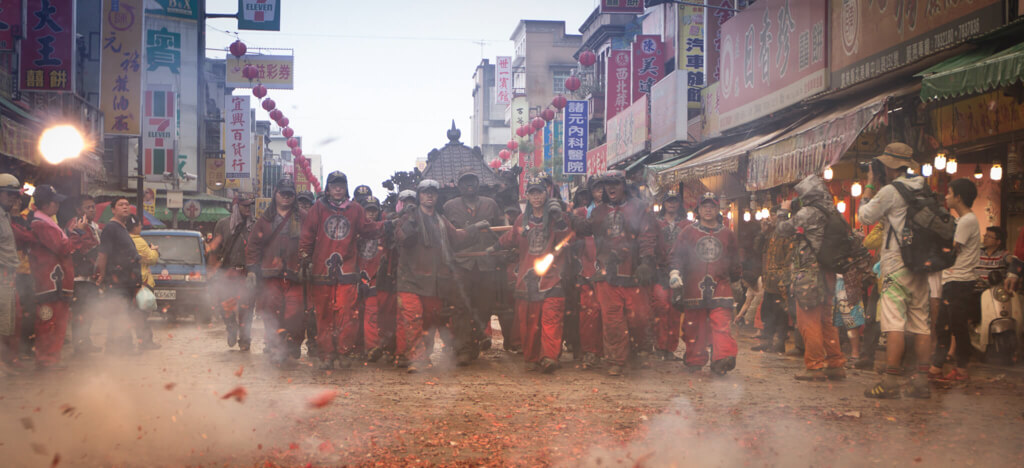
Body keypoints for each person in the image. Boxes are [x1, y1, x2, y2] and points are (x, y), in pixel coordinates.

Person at [857, 142, 932, 399]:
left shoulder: (891, 190)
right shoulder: (923, 185)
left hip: (897, 263)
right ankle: (922, 379)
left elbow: (864, 216)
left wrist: (868, 185)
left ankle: (890, 381)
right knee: (922, 323)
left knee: (894, 324)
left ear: (888, 167)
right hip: (921, 264)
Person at [299, 171, 390, 370]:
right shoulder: (318, 208)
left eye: (341, 185)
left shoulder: (355, 209)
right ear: (328, 188)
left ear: (346, 187)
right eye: (334, 185)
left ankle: (343, 352)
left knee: (347, 314)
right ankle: (326, 355)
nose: (338, 189)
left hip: (347, 271)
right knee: (323, 315)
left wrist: (388, 226)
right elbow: (307, 233)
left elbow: (368, 228)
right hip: (322, 271)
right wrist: (305, 256)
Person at [394, 179, 488, 372]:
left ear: (437, 197)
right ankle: (417, 358)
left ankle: (421, 356)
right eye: (425, 192)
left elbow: (457, 239)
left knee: (428, 322)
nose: (429, 196)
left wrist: (474, 229)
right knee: (413, 319)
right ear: (419, 195)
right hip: (410, 281)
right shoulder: (407, 218)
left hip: (434, 283)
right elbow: (402, 238)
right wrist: (411, 221)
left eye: (433, 193)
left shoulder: (441, 221)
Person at [570, 170, 656, 376]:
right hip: (607, 274)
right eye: (605, 185)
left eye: (614, 184)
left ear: (623, 185)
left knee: (640, 318)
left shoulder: (639, 208)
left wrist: (646, 261)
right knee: (612, 321)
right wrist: (566, 216)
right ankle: (616, 359)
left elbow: (647, 236)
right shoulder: (598, 212)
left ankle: (640, 350)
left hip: (633, 273)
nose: (610, 188)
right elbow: (584, 229)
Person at [492, 175, 570, 373]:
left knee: (551, 320)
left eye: (540, 193)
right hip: (527, 280)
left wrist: (560, 218)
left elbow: (567, 236)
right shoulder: (521, 219)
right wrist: (493, 247)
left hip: (552, 278)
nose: (536, 197)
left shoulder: (556, 216)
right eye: (532, 193)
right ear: (527, 196)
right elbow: (510, 237)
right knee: (529, 323)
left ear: (546, 194)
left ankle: (549, 356)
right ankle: (533, 357)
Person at [776, 175, 846, 381]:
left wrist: (784, 211)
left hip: (808, 273)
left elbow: (782, 231)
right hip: (828, 271)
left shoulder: (807, 213)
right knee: (826, 319)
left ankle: (814, 365)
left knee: (809, 319)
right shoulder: (833, 212)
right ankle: (835, 363)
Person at [669, 192, 740, 376]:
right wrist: (675, 272)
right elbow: (677, 255)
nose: (708, 210)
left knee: (721, 323)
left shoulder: (727, 234)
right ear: (698, 210)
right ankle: (695, 358)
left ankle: (722, 358)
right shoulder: (688, 232)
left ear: (717, 210)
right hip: (694, 286)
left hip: (721, 285)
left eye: (712, 206)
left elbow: (735, 259)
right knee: (694, 326)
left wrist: (737, 276)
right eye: (704, 206)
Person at [443, 170, 507, 352]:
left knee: (485, 306)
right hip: (462, 265)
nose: (469, 185)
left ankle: (476, 337)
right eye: (465, 182)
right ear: (458, 185)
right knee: (461, 307)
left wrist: (501, 252)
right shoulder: (449, 206)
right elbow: (446, 236)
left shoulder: (491, 204)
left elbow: (501, 233)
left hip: (487, 264)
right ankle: (463, 347)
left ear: (478, 184)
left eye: (472, 181)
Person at [247, 178, 306, 367]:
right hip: (271, 274)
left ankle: (293, 342)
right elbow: (253, 246)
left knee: (295, 311)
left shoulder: (304, 217)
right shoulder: (265, 219)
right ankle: (274, 347)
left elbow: (312, 240)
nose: (286, 197)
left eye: (290, 194)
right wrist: (252, 269)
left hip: (296, 274)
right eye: (283, 193)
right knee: (270, 311)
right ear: (276, 193)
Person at [928, 178, 981, 383]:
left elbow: (952, 248)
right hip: (953, 279)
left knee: (956, 326)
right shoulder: (963, 220)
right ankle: (936, 367)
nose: (947, 197)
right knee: (944, 325)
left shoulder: (967, 220)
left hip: (960, 280)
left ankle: (961, 368)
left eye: (949, 193)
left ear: (958, 196)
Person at [27, 185, 77, 369]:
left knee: (57, 321)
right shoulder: (41, 224)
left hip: (55, 282)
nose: (57, 206)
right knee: (48, 321)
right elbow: (61, 247)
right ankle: (45, 359)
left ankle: (51, 358)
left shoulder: (47, 222)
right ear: (47, 205)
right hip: (49, 283)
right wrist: (74, 234)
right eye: (55, 202)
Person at [208, 194, 256, 351]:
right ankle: (231, 328)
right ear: (237, 206)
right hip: (227, 272)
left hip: (247, 273)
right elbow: (214, 250)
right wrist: (213, 270)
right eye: (245, 206)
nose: (248, 209)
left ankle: (245, 340)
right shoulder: (223, 225)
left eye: (250, 206)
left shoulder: (254, 226)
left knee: (246, 309)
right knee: (224, 305)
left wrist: (255, 271)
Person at [96, 198, 143, 354]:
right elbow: (103, 253)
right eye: (120, 205)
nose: (125, 207)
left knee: (123, 313)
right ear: (113, 210)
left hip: (126, 280)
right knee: (119, 313)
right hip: (116, 280)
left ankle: (120, 348)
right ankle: (118, 349)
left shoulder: (122, 228)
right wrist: (101, 274)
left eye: (127, 205)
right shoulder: (111, 228)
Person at [572, 177, 604, 369]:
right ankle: (590, 352)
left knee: (610, 315)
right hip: (586, 270)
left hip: (611, 271)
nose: (601, 192)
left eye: (604, 189)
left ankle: (610, 351)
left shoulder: (617, 212)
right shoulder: (580, 214)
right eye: (597, 189)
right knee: (589, 314)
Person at [652, 190, 686, 361]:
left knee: (675, 310)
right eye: (669, 201)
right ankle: (659, 345)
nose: (672, 204)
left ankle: (670, 348)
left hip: (680, 271)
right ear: (664, 204)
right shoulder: (656, 224)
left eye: (675, 201)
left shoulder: (687, 224)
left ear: (679, 204)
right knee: (660, 307)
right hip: (660, 271)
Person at [752, 207, 791, 354]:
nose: (771, 218)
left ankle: (779, 342)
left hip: (781, 281)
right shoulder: (770, 234)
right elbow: (757, 249)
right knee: (767, 311)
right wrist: (762, 232)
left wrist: (784, 276)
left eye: (774, 215)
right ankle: (766, 340)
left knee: (780, 313)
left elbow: (790, 256)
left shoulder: (787, 232)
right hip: (769, 281)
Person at [66, 195, 102, 355]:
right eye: (88, 207)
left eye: (93, 206)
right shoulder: (74, 225)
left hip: (92, 276)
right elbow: (80, 247)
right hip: (79, 276)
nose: (92, 209)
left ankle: (85, 341)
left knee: (90, 312)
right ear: (78, 210)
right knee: (80, 312)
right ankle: (79, 345)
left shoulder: (94, 225)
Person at [357, 195, 391, 362]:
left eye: (373, 210)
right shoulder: (355, 229)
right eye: (367, 211)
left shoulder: (385, 231)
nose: (370, 214)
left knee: (374, 312)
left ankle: (373, 347)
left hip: (377, 276)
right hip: (356, 276)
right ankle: (358, 347)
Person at [126, 214, 160, 350]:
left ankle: (139, 341)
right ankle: (145, 341)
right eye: (140, 225)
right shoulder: (139, 241)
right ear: (135, 226)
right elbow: (152, 259)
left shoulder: (125, 239)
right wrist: (153, 250)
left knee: (134, 314)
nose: (141, 227)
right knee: (142, 315)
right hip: (143, 283)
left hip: (129, 282)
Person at [0, 174, 23, 374]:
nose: (13, 199)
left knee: (7, 322)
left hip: (7, 274)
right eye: (8, 194)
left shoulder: (5, 216)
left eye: (14, 195)